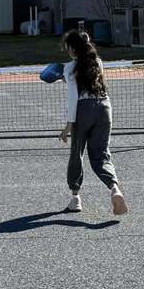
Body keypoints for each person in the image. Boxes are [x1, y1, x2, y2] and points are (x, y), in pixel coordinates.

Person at [58, 30, 128, 216]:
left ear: (73, 48)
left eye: (67, 48)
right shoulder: (97, 62)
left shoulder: (69, 67)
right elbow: (89, 77)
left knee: (77, 153)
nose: (67, 52)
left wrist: (68, 125)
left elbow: (73, 97)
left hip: (84, 110)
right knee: (101, 155)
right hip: (105, 107)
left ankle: (75, 198)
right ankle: (114, 188)